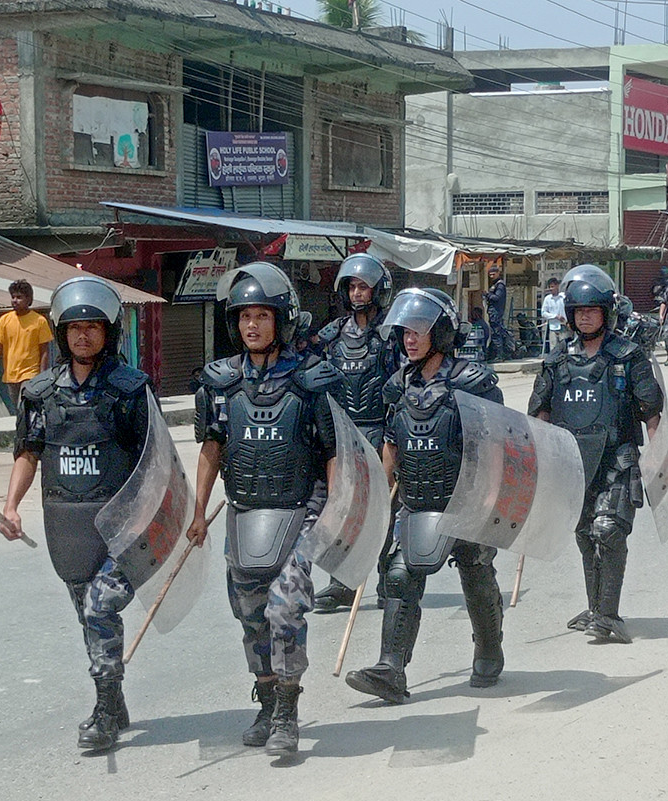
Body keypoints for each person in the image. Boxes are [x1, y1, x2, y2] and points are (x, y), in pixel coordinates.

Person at [187, 262, 339, 761]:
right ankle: (267, 694)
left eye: (263, 316)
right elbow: (212, 447)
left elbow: (334, 449)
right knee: (251, 616)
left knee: (286, 609)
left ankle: (288, 712)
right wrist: (197, 511)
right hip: (246, 511)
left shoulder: (311, 381)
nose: (253, 325)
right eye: (245, 316)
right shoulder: (221, 384)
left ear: (283, 320)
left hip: (302, 507)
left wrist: (335, 510)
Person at [0, 276, 152, 754]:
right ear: (61, 333)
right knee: (88, 618)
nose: (82, 336)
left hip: (124, 528)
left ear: (109, 332)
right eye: (73, 328)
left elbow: (156, 463)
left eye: (92, 327)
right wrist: (11, 505)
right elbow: (29, 451)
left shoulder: (130, 391)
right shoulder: (41, 393)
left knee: (99, 607)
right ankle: (115, 697)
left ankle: (104, 712)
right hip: (70, 527)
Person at [345, 288, 505, 704]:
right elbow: (391, 445)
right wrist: (381, 493)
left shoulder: (473, 383)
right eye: (404, 332)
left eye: (419, 330)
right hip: (416, 499)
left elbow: (498, 445)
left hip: (465, 501)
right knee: (399, 575)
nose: (409, 339)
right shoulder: (397, 385)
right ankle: (391, 669)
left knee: (474, 569)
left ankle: (489, 648)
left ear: (441, 332)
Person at [528, 264, 664, 644]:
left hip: (616, 459)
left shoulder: (628, 356)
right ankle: (594, 609)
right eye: (578, 311)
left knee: (609, 531)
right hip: (573, 464)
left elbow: (651, 411)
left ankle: (609, 614)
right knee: (586, 535)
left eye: (592, 310)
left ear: (607, 312)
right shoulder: (556, 360)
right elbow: (539, 412)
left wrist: (657, 460)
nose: (585, 316)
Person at [309, 253, 398, 615]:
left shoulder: (392, 335)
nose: (358, 293)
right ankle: (341, 583)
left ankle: (387, 578)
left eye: (364, 287)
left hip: (380, 429)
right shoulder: (330, 336)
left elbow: (400, 385)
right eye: (352, 287)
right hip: (343, 435)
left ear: (378, 291)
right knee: (343, 510)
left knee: (382, 510)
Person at [0, 280, 53, 413]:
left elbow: (44, 351)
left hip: (31, 374)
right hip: (11, 375)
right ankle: (25, 433)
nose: (15, 300)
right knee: (19, 412)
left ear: (29, 300)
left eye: (19, 297)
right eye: (13, 297)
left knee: (24, 405)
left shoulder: (39, 321)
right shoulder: (5, 320)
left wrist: (42, 376)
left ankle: (28, 433)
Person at [483, 263, 508, 363]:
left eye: (493, 274)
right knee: (494, 333)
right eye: (490, 274)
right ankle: (494, 355)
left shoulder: (500, 285)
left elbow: (497, 298)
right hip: (493, 312)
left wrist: (487, 294)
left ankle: (499, 356)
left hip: (496, 313)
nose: (492, 276)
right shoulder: (495, 284)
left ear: (498, 273)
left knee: (496, 333)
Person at [540, 277, 567, 353]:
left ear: (557, 286)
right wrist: (555, 316)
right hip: (553, 327)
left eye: (552, 286)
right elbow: (544, 313)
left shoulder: (563, 297)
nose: (551, 289)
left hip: (564, 326)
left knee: (564, 349)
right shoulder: (547, 299)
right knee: (553, 349)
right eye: (550, 287)